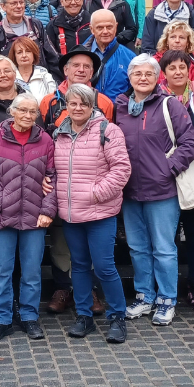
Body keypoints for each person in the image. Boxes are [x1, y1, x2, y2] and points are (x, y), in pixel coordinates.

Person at [113, 55, 194, 327]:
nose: (142, 78)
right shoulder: (121, 107)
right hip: (130, 192)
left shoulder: (169, 105)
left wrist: (168, 169)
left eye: (148, 74)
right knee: (138, 248)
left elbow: (189, 143)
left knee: (163, 248)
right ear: (129, 78)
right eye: (137, 74)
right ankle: (144, 296)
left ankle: (167, 299)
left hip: (162, 190)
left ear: (156, 77)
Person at [48, 83, 131, 343]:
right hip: (71, 215)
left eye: (83, 103)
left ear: (92, 104)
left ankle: (118, 317)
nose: (78, 107)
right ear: (66, 106)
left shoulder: (108, 131)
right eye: (73, 103)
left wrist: (95, 194)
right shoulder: (58, 134)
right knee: (80, 266)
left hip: (100, 213)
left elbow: (121, 170)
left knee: (105, 267)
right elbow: (53, 170)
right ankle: (84, 316)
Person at [0, 93, 57, 342]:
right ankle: (2, 320)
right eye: (22, 110)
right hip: (2, 215)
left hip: (35, 216)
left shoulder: (44, 140)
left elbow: (53, 177)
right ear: (11, 111)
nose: (27, 116)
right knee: (2, 270)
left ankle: (29, 317)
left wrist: (47, 210)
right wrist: (1, 200)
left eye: (32, 112)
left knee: (32, 271)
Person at [159, 49, 194, 310]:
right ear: (164, 72)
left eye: (182, 67)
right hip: (164, 172)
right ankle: (168, 284)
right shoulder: (157, 97)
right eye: (172, 68)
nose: (178, 72)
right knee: (168, 233)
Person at [0, 0, 60, 73]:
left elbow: (52, 55)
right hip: (11, 83)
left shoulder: (36, 25)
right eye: (14, 3)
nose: (19, 6)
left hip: (39, 80)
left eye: (21, 2)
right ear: (3, 6)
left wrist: (54, 79)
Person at [40, 47, 115, 128]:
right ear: (66, 70)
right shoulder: (48, 102)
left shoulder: (104, 103)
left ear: (91, 73)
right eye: (76, 65)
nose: (81, 70)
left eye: (86, 66)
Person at [86, 10, 136, 101]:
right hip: (88, 112)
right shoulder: (81, 56)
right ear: (92, 29)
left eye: (109, 27)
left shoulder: (130, 58)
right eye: (100, 28)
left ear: (116, 27)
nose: (105, 31)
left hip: (118, 112)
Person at [46, 0, 93, 70]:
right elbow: (51, 57)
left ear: (82, 0)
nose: (73, 3)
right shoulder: (53, 26)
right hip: (63, 77)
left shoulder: (93, 23)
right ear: (62, 2)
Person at [154, 20, 194, 87]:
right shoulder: (155, 63)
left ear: (188, 42)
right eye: (173, 37)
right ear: (166, 41)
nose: (177, 41)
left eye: (182, 37)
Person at [8, 36, 57, 103]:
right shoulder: (9, 77)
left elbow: (53, 102)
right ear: (14, 56)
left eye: (28, 51)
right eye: (19, 52)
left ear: (34, 54)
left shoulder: (45, 76)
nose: (24, 55)